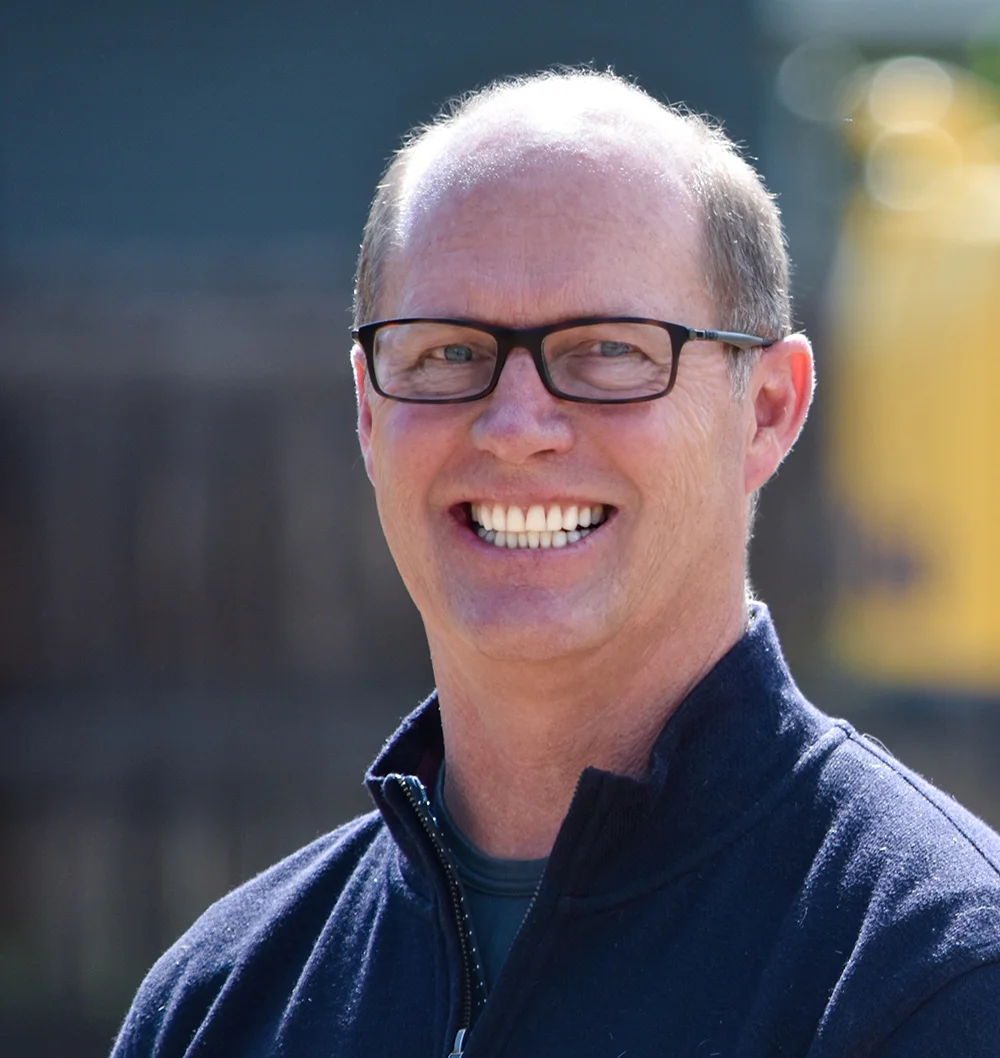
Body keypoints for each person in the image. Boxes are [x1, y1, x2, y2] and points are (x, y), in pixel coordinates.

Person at [111, 70, 1000, 1058]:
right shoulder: (220, 1004)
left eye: (608, 350)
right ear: (367, 409)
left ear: (766, 409)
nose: (516, 425)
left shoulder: (939, 980)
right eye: (448, 353)